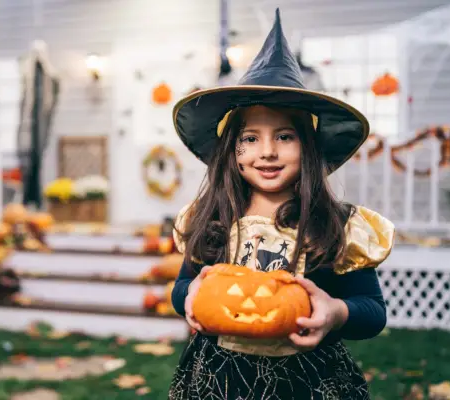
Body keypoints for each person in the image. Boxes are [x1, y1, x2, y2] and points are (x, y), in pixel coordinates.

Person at [167, 8, 395, 400]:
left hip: (307, 381)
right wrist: (188, 295)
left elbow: (372, 311)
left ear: (308, 146)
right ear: (233, 150)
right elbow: (183, 286)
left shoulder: (334, 223)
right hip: (219, 379)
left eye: (285, 136)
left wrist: (336, 312)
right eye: (251, 138)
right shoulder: (213, 217)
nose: (267, 152)